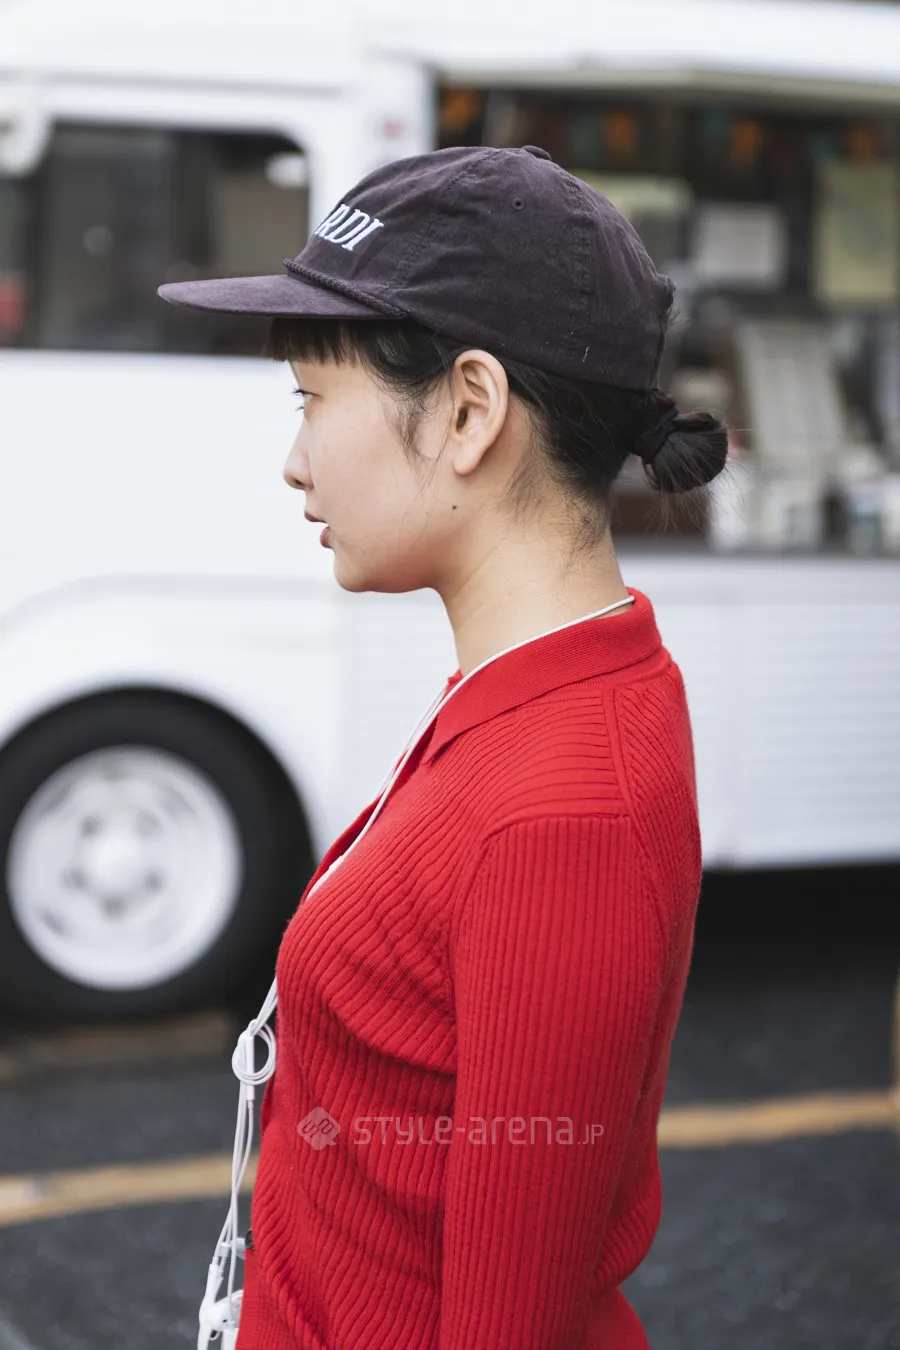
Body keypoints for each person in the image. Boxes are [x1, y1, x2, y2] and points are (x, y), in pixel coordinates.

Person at [158, 144, 727, 1350]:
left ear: (470, 410)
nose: (296, 459)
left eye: (313, 399)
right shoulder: (540, 687)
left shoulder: (564, 809)